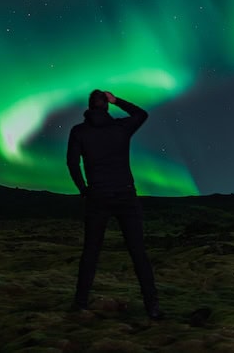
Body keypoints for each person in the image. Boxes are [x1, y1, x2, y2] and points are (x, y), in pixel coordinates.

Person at [66, 89, 162, 320]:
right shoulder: (121, 128)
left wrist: (84, 190)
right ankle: (153, 308)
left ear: (89, 106)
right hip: (126, 196)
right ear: (106, 106)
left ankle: (80, 304)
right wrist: (117, 100)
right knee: (138, 253)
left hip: (97, 197)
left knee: (91, 252)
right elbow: (141, 114)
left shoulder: (79, 131)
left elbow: (72, 163)